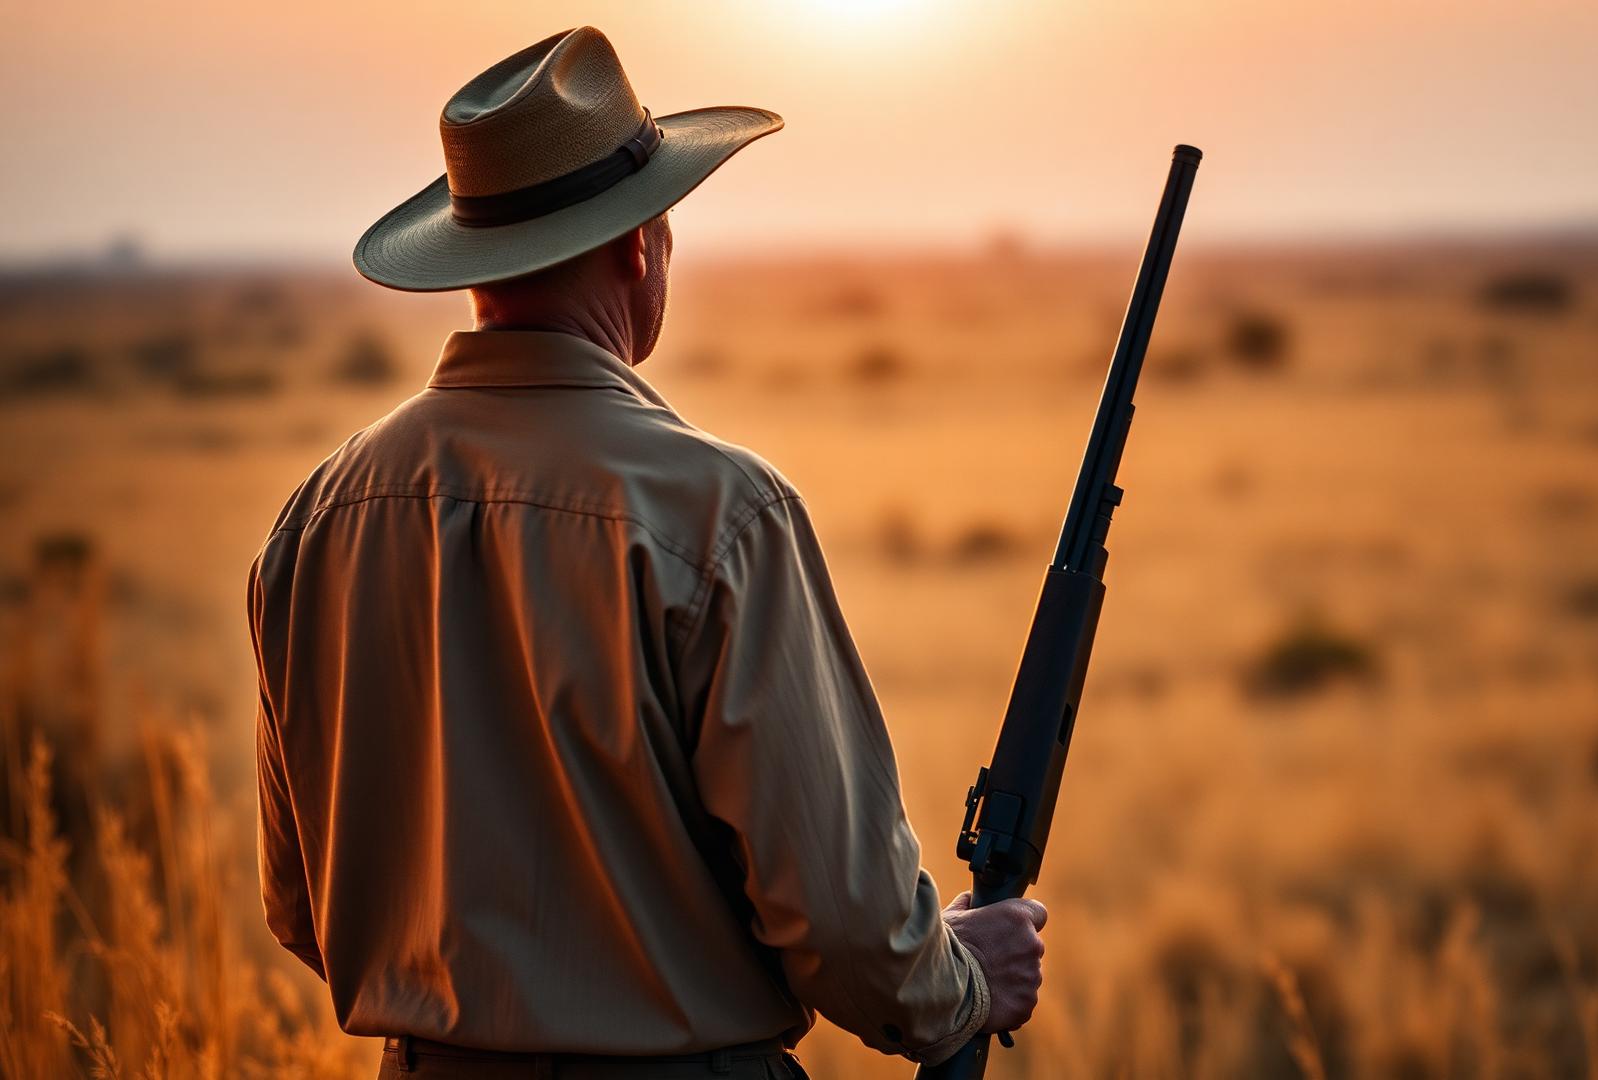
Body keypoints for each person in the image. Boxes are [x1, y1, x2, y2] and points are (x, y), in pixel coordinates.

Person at [248, 27, 1045, 1079]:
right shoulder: (721, 513)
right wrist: (966, 980)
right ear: (641, 243)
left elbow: (303, 907)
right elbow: (851, 932)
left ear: (473, 261)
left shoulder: (315, 522)